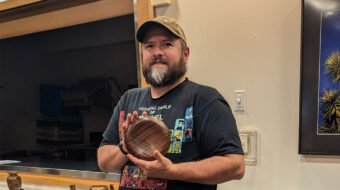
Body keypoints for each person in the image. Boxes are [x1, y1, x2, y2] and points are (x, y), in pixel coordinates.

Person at [97, 16, 245, 190]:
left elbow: (235, 165)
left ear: (185, 54)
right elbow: (104, 163)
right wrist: (126, 147)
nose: (157, 52)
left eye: (167, 44)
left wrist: (172, 171)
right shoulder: (129, 99)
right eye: (149, 46)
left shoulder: (204, 98)